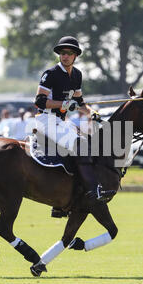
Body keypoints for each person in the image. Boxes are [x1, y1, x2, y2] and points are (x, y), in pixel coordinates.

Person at [34, 36, 115, 217]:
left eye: (69, 53)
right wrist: (63, 104)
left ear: (76, 56)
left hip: (61, 122)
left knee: (86, 145)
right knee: (81, 146)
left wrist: (92, 113)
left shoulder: (77, 75)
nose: (65, 56)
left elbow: (79, 102)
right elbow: (39, 101)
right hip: (45, 120)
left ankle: (62, 200)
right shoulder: (51, 73)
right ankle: (93, 191)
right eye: (63, 53)